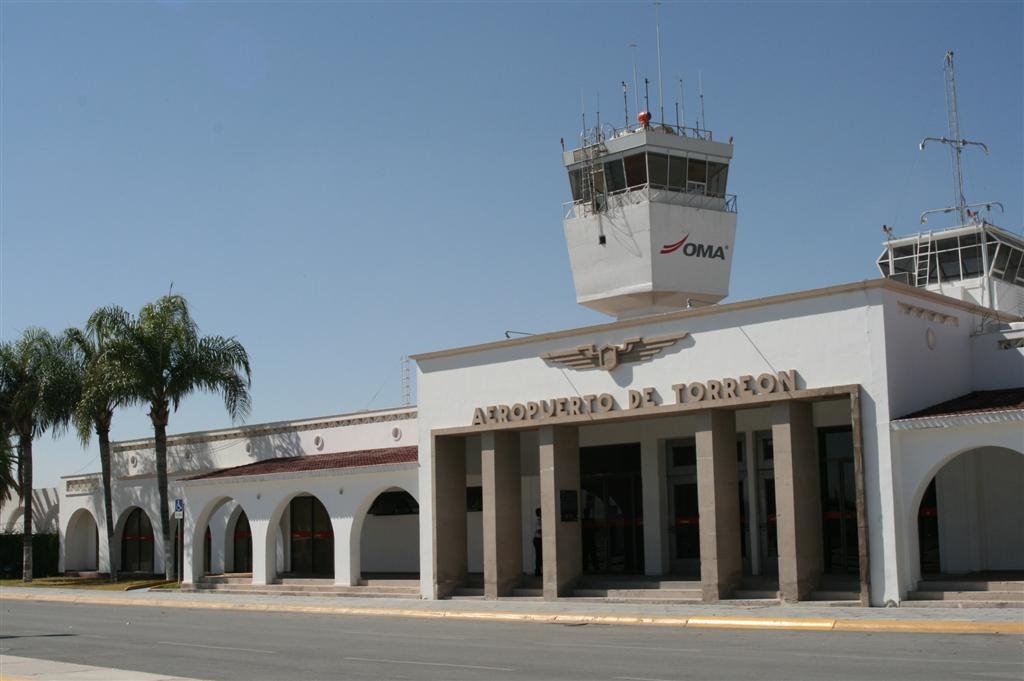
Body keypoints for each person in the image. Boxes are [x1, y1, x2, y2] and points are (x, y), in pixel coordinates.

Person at [533, 507, 542, 576]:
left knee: (540, 556)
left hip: (539, 539)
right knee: (539, 556)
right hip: (538, 540)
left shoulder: (540, 520)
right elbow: (539, 531)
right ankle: (537, 571)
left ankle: (539, 570)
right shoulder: (538, 521)